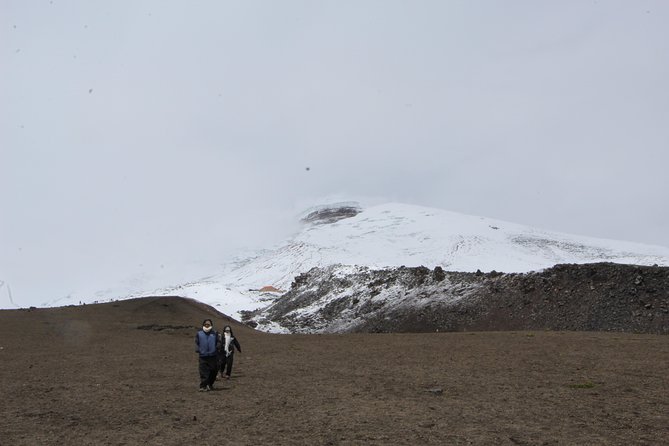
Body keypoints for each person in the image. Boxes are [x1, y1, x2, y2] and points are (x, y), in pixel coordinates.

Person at [195, 319, 220, 391]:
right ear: (203, 324)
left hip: (213, 355)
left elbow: (218, 341)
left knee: (213, 371)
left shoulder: (215, 333)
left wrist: (217, 347)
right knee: (203, 371)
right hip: (203, 355)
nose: (207, 325)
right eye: (205, 324)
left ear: (211, 325)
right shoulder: (199, 333)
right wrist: (198, 349)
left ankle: (210, 384)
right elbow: (196, 342)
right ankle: (203, 386)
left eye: (208, 324)